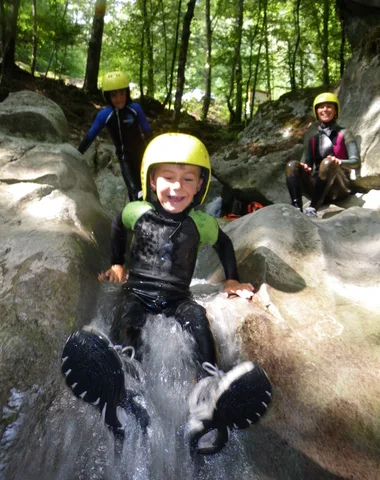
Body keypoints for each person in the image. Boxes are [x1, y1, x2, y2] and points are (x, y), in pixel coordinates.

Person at [61, 133, 272, 456]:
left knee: (199, 320)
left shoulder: (201, 222)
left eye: (188, 179)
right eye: (168, 178)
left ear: (200, 184)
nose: (177, 187)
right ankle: (125, 380)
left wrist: (232, 279)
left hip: (177, 297)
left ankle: (207, 391)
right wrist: (117, 263)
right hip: (138, 291)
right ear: (151, 178)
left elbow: (224, 244)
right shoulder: (137, 211)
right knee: (127, 317)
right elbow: (118, 224)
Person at [78, 71, 152, 201]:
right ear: (107, 97)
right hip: (125, 158)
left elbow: (147, 131)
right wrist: (77, 153)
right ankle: (138, 215)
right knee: (134, 190)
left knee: (146, 187)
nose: (119, 98)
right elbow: (90, 136)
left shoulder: (135, 109)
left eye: (122, 93)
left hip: (143, 155)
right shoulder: (105, 115)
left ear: (127, 92)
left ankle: (148, 211)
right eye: (114, 95)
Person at [285, 92, 360, 217]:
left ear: (335, 110)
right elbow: (308, 164)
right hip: (317, 185)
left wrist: (339, 162)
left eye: (329, 106)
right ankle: (297, 209)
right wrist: (305, 168)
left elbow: (356, 162)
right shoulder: (313, 139)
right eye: (321, 107)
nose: (325, 110)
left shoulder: (345, 133)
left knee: (328, 162)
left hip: (339, 186)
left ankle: (312, 208)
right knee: (291, 165)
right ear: (316, 111)